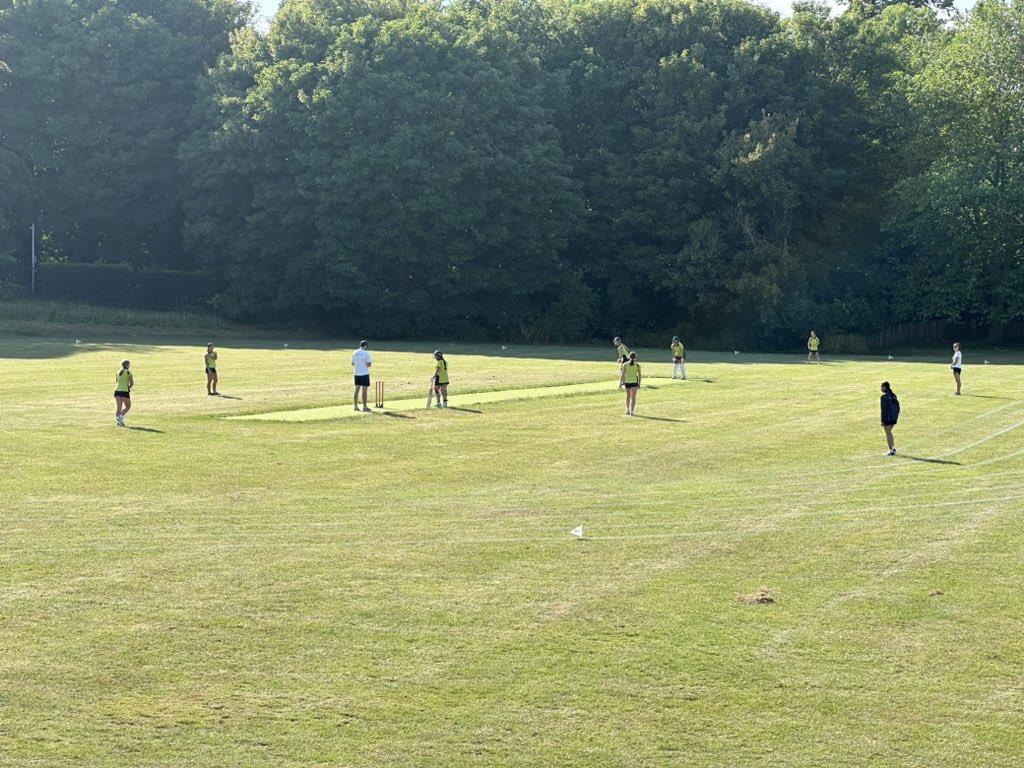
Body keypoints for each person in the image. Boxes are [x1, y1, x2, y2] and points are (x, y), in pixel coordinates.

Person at [880, 381, 900, 456]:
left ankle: (891, 450)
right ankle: (893, 448)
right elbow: (898, 407)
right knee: (889, 432)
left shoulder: (883, 397)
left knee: (888, 433)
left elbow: (884, 410)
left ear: (884, 387)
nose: (881, 388)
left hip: (887, 418)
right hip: (894, 417)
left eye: (881, 387)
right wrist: (896, 416)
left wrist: (882, 421)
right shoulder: (894, 395)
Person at [352, 340, 372, 412]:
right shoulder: (366, 353)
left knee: (356, 390)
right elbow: (369, 364)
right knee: (364, 390)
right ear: (365, 346)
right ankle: (365, 407)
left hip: (356, 373)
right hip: (364, 373)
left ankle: (355, 406)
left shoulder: (354, 352)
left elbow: (352, 363)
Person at [620, 351, 642, 416]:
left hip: (627, 382)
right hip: (634, 382)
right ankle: (632, 411)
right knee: (633, 397)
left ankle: (627, 409)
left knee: (628, 396)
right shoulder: (637, 365)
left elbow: (622, 374)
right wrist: (639, 383)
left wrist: (621, 382)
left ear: (629, 357)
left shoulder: (625, 364)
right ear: (635, 357)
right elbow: (640, 375)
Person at [114, 359, 134, 427]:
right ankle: (120, 417)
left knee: (118, 408)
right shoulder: (128, 371)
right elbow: (131, 382)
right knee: (128, 406)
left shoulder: (118, 371)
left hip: (117, 391)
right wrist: (129, 387)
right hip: (124, 391)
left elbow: (116, 381)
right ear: (127, 365)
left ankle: (118, 423)